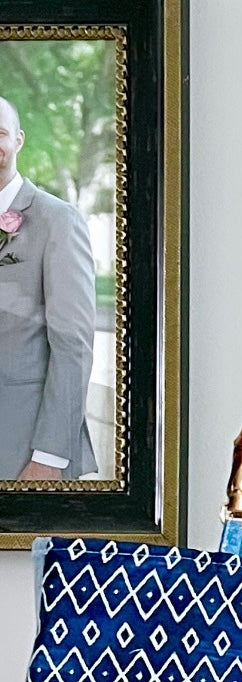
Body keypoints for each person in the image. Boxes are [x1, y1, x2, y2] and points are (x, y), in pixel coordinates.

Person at [0, 93, 97, 481]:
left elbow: (73, 344)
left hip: (23, 448)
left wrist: (50, 457)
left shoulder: (57, 221)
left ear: (19, 140)